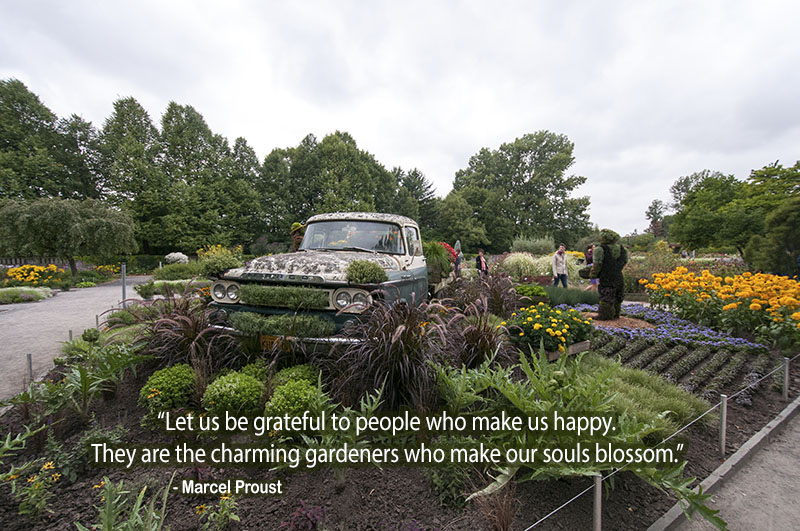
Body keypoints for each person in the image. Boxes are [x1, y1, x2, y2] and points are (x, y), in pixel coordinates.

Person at [590, 229, 629, 320]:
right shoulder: (623, 249)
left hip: (606, 276)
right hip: (618, 275)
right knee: (618, 296)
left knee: (606, 296)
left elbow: (597, 264)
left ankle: (605, 315)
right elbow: (625, 262)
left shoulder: (599, 249)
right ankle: (616, 313)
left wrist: (593, 274)